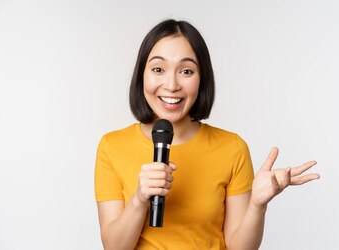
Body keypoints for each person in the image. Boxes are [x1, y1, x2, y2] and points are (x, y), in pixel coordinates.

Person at [94, 19, 320, 249]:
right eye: (158, 69)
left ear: (202, 79)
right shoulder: (112, 146)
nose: (171, 85)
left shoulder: (232, 148)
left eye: (186, 71)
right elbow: (114, 247)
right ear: (142, 74)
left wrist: (257, 205)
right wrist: (140, 198)